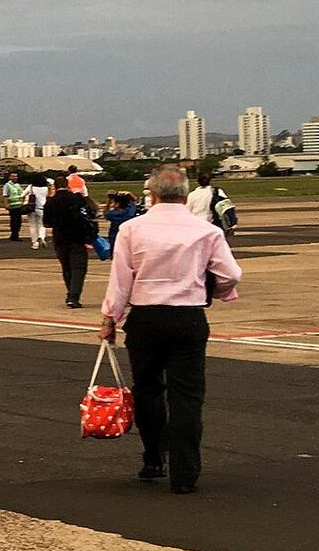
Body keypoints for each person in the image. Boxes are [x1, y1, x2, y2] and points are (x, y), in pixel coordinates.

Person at [100, 164, 242, 493]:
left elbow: (120, 281)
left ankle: (153, 458)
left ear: (152, 194)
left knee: (148, 390)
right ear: (185, 194)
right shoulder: (206, 231)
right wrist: (217, 292)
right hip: (188, 318)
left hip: (146, 318)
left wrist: (110, 319)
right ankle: (185, 473)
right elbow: (231, 274)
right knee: (187, 398)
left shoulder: (132, 229)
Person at [44, 176, 95, 307]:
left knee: (66, 267)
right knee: (78, 268)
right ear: (68, 185)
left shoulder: (50, 201)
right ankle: (74, 296)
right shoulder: (75, 198)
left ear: (55, 186)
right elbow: (89, 213)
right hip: (77, 237)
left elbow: (46, 223)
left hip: (60, 238)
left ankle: (70, 293)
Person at [2, 172, 28, 241]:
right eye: (13, 176)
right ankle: (14, 235)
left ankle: (15, 234)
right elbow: (5, 195)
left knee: (18, 221)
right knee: (14, 221)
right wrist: (6, 204)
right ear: (9, 177)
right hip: (12, 206)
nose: (15, 178)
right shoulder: (7, 185)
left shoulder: (18, 185)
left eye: (16, 176)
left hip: (19, 205)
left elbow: (22, 194)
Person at [26, 175, 49, 249]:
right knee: (41, 225)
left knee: (32, 226)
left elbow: (22, 194)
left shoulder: (31, 187)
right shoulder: (46, 188)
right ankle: (41, 237)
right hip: (42, 208)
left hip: (32, 208)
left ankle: (35, 243)